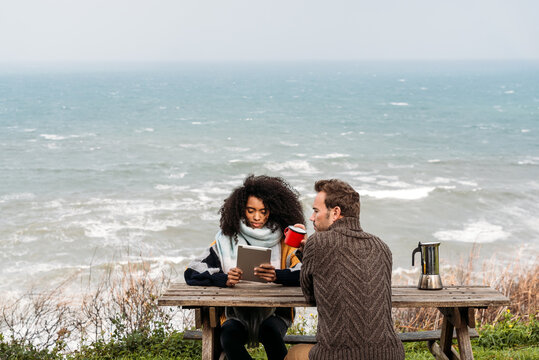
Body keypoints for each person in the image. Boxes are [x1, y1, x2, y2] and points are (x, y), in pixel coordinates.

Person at [185, 175, 305, 360]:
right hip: (236, 314)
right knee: (228, 337)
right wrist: (223, 278)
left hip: (275, 313)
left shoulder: (285, 241)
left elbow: (305, 273)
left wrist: (277, 275)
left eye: (264, 211)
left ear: (272, 211)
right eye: (251, 211)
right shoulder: (225, 240)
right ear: (241, 210)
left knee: (270, 333)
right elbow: (192, 271)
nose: (257, 217)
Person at [286, 179, 405, 360]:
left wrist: (307, 254)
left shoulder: (317, 242)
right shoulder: (381, 246)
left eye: (316, 211)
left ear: (335, 213)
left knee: (293, 354)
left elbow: (310, 297)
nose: (311, 217)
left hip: (338, 355)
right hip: (390, 353)